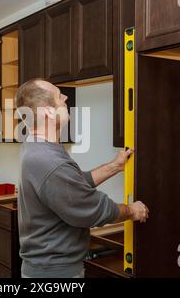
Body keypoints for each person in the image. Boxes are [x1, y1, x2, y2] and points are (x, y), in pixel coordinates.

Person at [15, 78, 149, 278]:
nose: (66, 97)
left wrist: (114, 167)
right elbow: (94, 209)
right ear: (47, 112)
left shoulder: (35, 146)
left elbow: (72, 187)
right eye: (59, 96)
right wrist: (132, 211)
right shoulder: (49, 161)